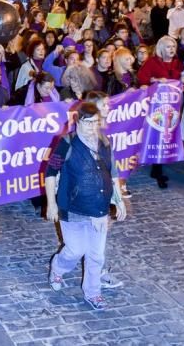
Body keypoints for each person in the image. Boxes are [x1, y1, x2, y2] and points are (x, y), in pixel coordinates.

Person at [45, 102, 126, 311]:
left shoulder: (104, 142)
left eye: (95, 123)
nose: (92, 128)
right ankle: (58, 267)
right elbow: (50, 174)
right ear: (77, 121)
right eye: (87, 123)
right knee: (75, 250)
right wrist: (51, 204)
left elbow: (112, 173)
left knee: (96, 254)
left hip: (99, 209)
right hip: (72, 208)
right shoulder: (67, 142)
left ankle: (93, 292)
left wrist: (118, 199)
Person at [137, 35, 184, 189]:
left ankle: (161, 165)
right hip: (156, 108)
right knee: (158, 136)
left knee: (168, 137)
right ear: (162, 48)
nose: (172, 49)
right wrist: (154, 80)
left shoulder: (178, 64)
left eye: (174, 46)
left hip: (173, 107)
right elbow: (142, 79)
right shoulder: (152, 62)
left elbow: (183, 83)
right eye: (169, 47)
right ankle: (157, 170)